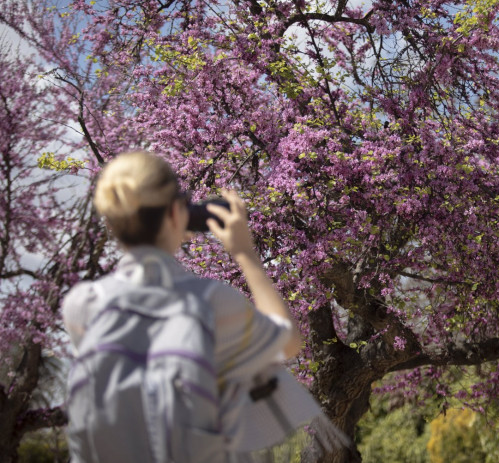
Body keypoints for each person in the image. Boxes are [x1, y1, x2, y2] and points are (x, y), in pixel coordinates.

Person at [61, 150, 322, 461]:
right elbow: (288, 341)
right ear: (175, 214)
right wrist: (245, 254)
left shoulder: (82, 305)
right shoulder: (209, 302)